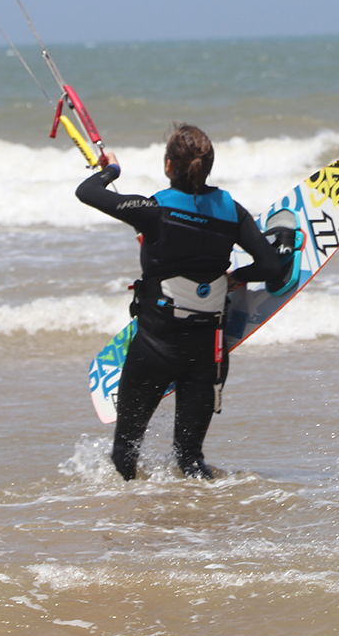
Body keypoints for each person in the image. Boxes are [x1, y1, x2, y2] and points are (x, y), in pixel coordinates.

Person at [77, 123, 289, 480]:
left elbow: (87, 191)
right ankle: (199, 524)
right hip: (206, 353)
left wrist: (110, 169)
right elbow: (272, 268)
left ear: (168, 166)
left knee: (124, 456)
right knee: (190, 459)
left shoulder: (153, 210)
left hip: (154, 347)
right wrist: (236, 277)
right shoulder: (232, 212)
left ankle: (131, 524)